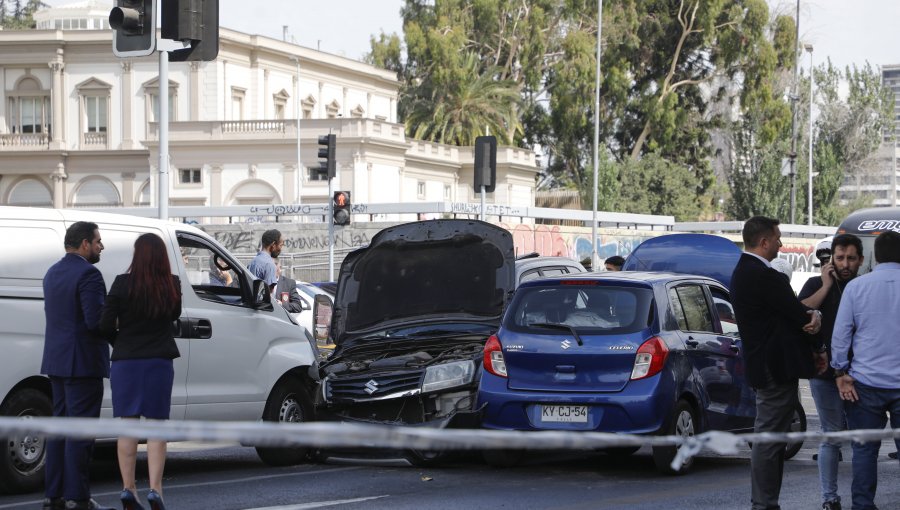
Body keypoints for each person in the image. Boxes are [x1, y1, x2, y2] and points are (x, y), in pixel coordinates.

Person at [729, 216, 823, 510]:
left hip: (766, 366)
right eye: (778, 238)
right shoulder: (762, 275)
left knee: (772, 437)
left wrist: (806, 318)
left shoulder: (745, 271)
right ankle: (764, 503)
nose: (781, 244)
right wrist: (814, 319)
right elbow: (796, 313)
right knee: (769, 439)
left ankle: (766, 501)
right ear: (764, 241)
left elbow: (788, 313)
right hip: (775, 368)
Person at [99, 233, 182, 510]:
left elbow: (105, 324)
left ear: (137, 255)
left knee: (128, 426)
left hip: (126, 362)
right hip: (158, 361)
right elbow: (173, 315)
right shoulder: (172, 284)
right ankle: (156, 490)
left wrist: (120, 343)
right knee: (158, 427)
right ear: (162, 256)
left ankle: (128, 489)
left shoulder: (122, 283)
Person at [40, 221, 114, 510]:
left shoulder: (51, 273)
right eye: (97, 241)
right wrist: (119, 326)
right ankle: (78, 497)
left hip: (57, 362)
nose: (101, 246)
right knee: (80, 434)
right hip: (82, 363)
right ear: (85, 244)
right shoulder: (89, 275)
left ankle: (54, 495)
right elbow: (96, 321)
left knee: (59, 430)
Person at [831, 231, 900, 510]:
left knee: (863, 451)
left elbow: (841, 334)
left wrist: (840, 372)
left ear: (874, 257)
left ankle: (862, 506)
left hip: (864, 383)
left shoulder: (857, 288)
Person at [799, 234, 865, 510]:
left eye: (851, 258)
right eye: (840, 258)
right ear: (830, 259)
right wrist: (826, 285)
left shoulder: (864, 286)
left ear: (861, 260)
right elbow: (799, 311)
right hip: (825, 375)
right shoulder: (817, 284)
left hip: (860, 374)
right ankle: (830, 498)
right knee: (831, 436)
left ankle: (863, 499)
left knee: (863, 439)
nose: (845, 264)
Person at [247, 229, 283, 294]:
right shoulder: (269, 264)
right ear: (273, 244)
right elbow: (269, 294)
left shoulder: (253, 262)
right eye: (280, 245)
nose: (280, 249)